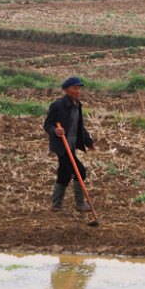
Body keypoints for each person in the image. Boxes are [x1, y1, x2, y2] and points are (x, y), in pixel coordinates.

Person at [43, 76, 94, 212]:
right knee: (80, 171)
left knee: (64, 175)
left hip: (71, 144)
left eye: (79, 88)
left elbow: (79, 126)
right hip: (61, 146)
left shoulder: (78, 105)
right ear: (67, 90)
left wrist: (88, 141)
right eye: (75, 88)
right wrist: (55, 130)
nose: (78, 91)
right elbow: (48, 125)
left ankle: (56, 205)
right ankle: (80, 204)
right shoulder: (57, 105)